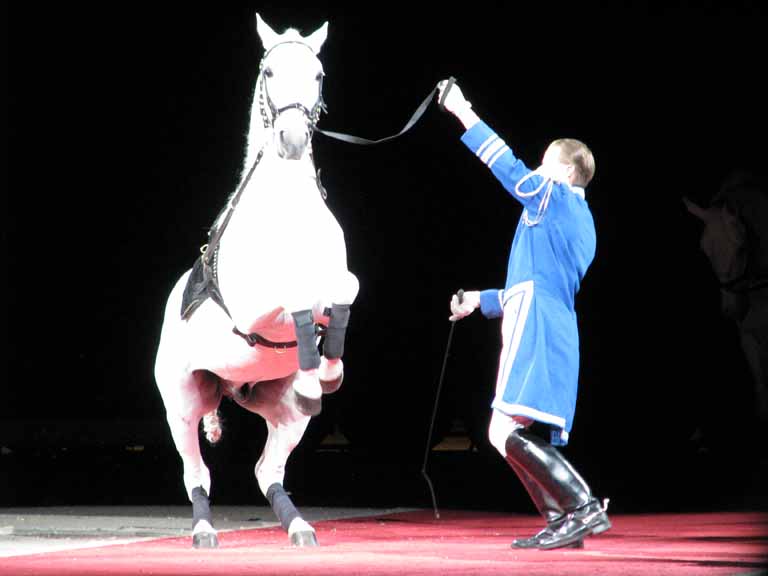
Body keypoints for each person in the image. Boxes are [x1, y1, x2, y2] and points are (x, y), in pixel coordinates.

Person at [437, 78, 611, 550]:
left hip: (536, 322)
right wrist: (480, 299)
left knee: (503, 428)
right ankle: (562, 518)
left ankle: (582, 507)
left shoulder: (553, 195)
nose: (536, 170)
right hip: (550, 320)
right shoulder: (581, 221)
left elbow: (507, 166)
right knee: (503, 430)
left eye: (544, 164)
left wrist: (462, 110)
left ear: (561, 170)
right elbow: (536, 280)